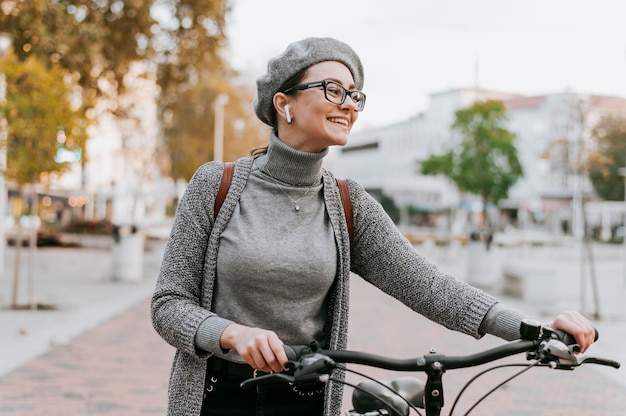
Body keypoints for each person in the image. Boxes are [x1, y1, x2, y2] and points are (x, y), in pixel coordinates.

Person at [151, 37, 596, 416]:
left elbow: (429, 286)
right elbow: (168, 304)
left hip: (307, 398)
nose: (348, 103)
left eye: (354, 94)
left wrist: (531, 329)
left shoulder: (348, 203)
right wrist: (231, 333)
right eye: (332, 89)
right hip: (217, 395)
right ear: (282, 103)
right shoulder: (218, 185)